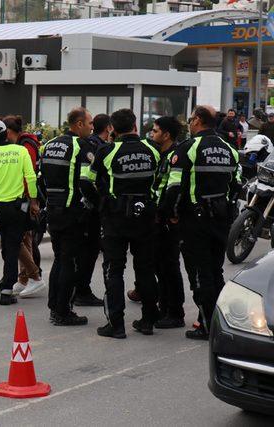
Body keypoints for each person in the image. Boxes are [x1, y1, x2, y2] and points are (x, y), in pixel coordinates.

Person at [160, 106, 240, 340]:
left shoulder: (189, 148)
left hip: (195, 221)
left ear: (198, 121)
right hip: (221, 219)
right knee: (216, 271)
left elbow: (174, 187)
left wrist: (170, 214)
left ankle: (206, 325)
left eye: (192, 119)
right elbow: (237, 185)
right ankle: (220, 320)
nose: (189, 123)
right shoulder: (229, 149)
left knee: (199, 274)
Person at [88, 108, 160, 339]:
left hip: (115, 219)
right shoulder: (153, 150)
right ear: (135, 126)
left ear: (112, 129)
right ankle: (148, 320)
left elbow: (86, 181)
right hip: (146, 217)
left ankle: (116, 325)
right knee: (146, 268)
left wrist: (101, 202)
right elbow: (163, 182)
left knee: (114, 269)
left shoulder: (107, 151)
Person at [41, 107, 100, 326]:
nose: (92, 127)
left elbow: (41, 178)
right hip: (72, 213)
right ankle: (63, 311)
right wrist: (97, 202)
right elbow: (86, 181)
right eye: (90, 123)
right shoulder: (81, 146)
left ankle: (54, 306)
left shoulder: (50, 144)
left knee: (60, 259)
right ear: (78, 124)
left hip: (53, 210)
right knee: (70, 262)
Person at [0, 119, 39, 305]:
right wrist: (33, 201)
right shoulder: (21, 151)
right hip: (15, 209)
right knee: (11, 249)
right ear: (6, 133)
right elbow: (31, 177)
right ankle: (6, 291)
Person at [148, 116, 186, 329]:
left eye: (155, 131)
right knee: (159, 265)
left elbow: (173, 189)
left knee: (169, 266)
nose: (152, 134)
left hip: (167, 220)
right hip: (158, 217)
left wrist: (167, 214)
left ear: (167, 134)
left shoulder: (175, 155)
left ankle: (175, 312)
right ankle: (164, 307)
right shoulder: (159, 154)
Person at [3, 115, 45, 298]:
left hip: (26, 199)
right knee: (25, 239)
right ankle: (24, 278)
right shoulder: (25, 143)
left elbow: (29, 175)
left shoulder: (26, 146)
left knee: (19, 240)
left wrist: (32, 201)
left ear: (10, 132)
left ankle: (34, 276)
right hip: (25, 198)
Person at [73, 114, 112, 307]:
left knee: (87, 250)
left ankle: (80, 289)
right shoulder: (93, 147)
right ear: (109, 128)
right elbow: (88, 181)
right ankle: (81, 290)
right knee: (88, 250)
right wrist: (100, 203)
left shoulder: (91, 144)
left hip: (85, 206)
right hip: (89, 208)